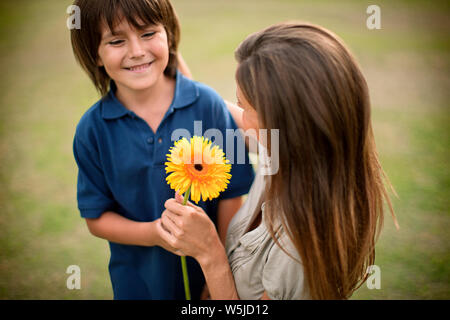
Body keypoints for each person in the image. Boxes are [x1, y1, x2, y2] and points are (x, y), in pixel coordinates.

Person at [158, 22, 399, 300]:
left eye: (245, 107)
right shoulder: (294, 155)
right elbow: (213, 107)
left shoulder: (301, 249)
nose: (239, 116)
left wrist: (210, 253)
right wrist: (163, 48)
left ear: (287, 124)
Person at [70, 0, 254, 300]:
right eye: (117, 41)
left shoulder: (206, 105)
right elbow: (96, 218)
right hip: (138, 286)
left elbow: (232, 196)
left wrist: (219, 270)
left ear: (168, 35)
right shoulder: (93, 129)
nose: (137, 51)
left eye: (147, 33)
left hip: (211, 285)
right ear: (96, 55)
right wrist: (154, 233)